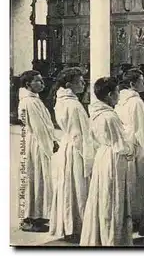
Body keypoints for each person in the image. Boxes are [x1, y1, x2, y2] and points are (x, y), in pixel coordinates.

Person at [80, 77, 134, 246]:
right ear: (110, 95)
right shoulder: (110, 116)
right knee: (113, 196)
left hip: (102, 155)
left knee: (103, 195)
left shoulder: (95, 113)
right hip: (113, 158)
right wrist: (131, 146)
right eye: (117, 92)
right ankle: (112, 240)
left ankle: (101, 236)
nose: (119, 95)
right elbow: (121, 145)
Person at [49, 67, 93, 240]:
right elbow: (79, 135)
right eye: (80, 81)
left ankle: (69, 225)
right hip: (76, 150)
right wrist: (89, 157)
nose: (84, 84)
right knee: (78, 188)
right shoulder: (73, 105)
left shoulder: (61, 101)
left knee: (68, 187)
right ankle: (76, 226)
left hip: (67, 147)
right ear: (69, 85)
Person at [17, 70, 58, 232]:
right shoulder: (29, 101)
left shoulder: (34, 99)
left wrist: (53, 139)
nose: (42, 84)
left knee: (40, 180)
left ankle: (38, 216)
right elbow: (39, 127)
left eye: (42, 81)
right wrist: (50, 144)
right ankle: (30, 219)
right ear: (28, 84)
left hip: (39, 141)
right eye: (38, 81)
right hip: (37, 143)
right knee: (35, 179)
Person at [114, 68, 144, 235]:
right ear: (132, 84)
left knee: (129, 182)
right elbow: (142, 128)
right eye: (141, 81)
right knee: (139, 183)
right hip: (136, 146)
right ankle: (138, 218)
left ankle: (130, 217)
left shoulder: (120, 100)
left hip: (126, 143)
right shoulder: (136, 102)